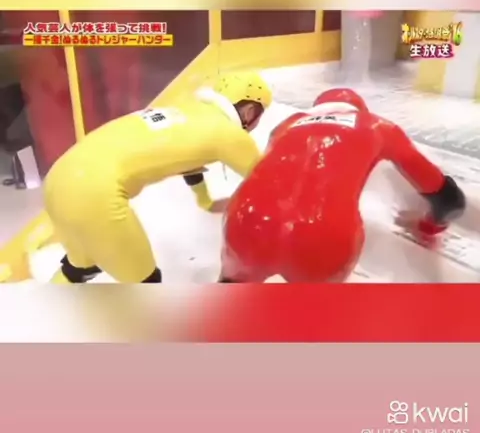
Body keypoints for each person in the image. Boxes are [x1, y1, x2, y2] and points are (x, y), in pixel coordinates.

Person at [44, 71, 272, 284]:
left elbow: (190, 162)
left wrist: (206, 201)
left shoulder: (186, 109)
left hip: (59, 177)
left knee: (79, 269)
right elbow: (271, 182)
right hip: (93, 192)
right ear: (249, 111)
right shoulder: (230, 135)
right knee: (146, 284)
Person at [220, 87, 466, 283]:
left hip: (247, 221)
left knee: (229, 310)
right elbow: (450, 200)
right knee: (313, 319)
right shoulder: (378, 126)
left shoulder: (285, 126)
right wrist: (428, 227)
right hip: (324, 237)